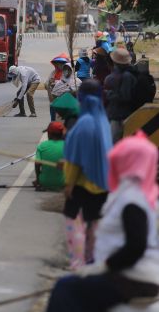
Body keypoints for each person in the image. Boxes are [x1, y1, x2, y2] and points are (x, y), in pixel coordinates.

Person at [46, 131, 159, 312]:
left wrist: (104, 267)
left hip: (132, 279)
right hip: (134, 276)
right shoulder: (143, 194)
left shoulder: (132, 200)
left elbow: (136, 246)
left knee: (64, 289)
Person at [62, 79, 113, 269]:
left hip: (81, 185)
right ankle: (92, 259)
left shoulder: (84, 123)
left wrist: (69, 184)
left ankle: (77, 261)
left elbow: (76, 161)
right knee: (94, 225)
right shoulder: (103, 121)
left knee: (73, 223)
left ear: (81, 97)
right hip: (102, 183)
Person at [104, 48, 137, 142]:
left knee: (114, 141)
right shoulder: (128, 74)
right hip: (122, 114)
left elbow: (125, 97)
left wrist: (109, 94)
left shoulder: (127, 76)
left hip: (120, 116)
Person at [34, 121, 66, 192]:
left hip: (45, 183)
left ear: (49, 134)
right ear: (62, 133)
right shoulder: (68, 145)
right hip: (64, 183)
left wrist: (38, 181)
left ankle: (40, 181)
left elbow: (37, 163)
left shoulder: (42, 146)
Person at [47, 53, 70, 121]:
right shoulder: (53, 73)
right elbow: (47, 84)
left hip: (65, 101)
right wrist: (50, 84)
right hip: (54, 100)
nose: (60, 65)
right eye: (58, 63)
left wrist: (56, 84)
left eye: (62, 63)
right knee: (54, 119)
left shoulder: (69, 74)